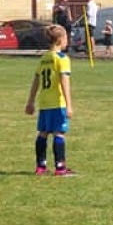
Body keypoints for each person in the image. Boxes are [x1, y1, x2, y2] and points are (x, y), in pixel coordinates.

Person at [25, 23, 75, 175]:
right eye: (66, 37)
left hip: (44, 103)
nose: (68, 40)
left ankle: (41, 166)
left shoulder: (44, 58)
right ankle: (60, 168)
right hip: (57, 102)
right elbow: (64, 81)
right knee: (59, 133)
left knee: (43, 133)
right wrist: (69, 105)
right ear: (60, 40)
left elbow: (36, 80)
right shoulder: (62, 58)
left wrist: (30, 101)